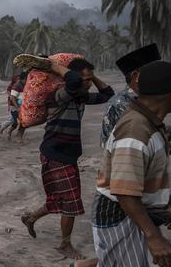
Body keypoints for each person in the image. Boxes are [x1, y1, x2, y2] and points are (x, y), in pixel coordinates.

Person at [88, 61, 171, 267]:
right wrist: (153, 236)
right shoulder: (136, 131)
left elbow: (144, 175)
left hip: (133, 210)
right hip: (120, 212)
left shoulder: (149, 122)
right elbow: (124, 191)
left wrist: (170, 203)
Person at [19, 55, 114, 260]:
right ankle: (65, 245)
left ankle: (30, 218)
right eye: (85, 79)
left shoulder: (79, 97)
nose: (88, 84)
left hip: (67, 154)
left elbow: (108, 94)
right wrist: (55, 67)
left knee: (59, 198)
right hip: (55, 153)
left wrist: (92, 76)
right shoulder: (59, 95)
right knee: (71, 200)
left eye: (90, 80)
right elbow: (72, 82)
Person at [100, 44, 165, 149]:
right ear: (136, 76)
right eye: (155, 72)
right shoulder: (119, 104)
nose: (160, 76)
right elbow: (108, 145)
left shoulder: (150, 97)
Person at [6, 71, 28, 142]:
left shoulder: (25, 85)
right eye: (27, 79)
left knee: (24, 122)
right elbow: (12, 98)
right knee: (16, 123)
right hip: (14, 107)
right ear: (24, 78)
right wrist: (17, 107)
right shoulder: (17, 85)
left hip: (21, 106)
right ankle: (9, 132)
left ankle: (19, 136)